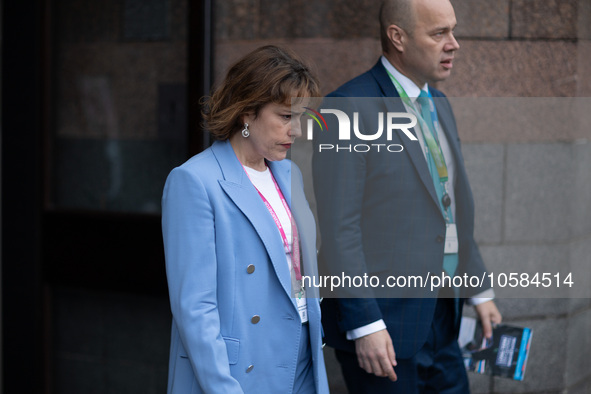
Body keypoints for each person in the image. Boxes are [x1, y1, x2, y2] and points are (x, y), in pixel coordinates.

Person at [312, 0, 502, 392]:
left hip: (445, 320)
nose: (454, 44)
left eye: (453, 30)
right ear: (397, 37)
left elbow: (449, 212)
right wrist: (365, 323)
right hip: (383, 330)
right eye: (439, 34)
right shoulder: (348, 108)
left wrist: (479, 290)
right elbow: (337, 231)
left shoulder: (440, 106)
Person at [162, 45, 329, 394]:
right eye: (285, 116)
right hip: (239, 368)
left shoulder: (289, 173)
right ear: (247, 113)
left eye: (300, 117)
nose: (296, 130)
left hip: (301, 355)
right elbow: (195, 307)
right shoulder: (194, 180)